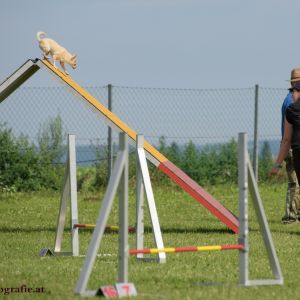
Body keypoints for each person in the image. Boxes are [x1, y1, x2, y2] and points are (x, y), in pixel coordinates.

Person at [270, 81, 300, 223]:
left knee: (294, 183)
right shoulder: (290, 106)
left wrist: (277, 165)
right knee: (294, 183)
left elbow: (286, 139)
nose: (291, 93)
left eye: (293, 91)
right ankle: (291, 215)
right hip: (294, 150)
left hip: (295, 149)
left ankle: (291, 215)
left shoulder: (290, 107)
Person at [279, 69, 300, 223]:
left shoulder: (291, 99)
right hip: (292, 146)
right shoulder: (291, 102)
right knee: (294, 182)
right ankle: (290, 215)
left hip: (292, 145)